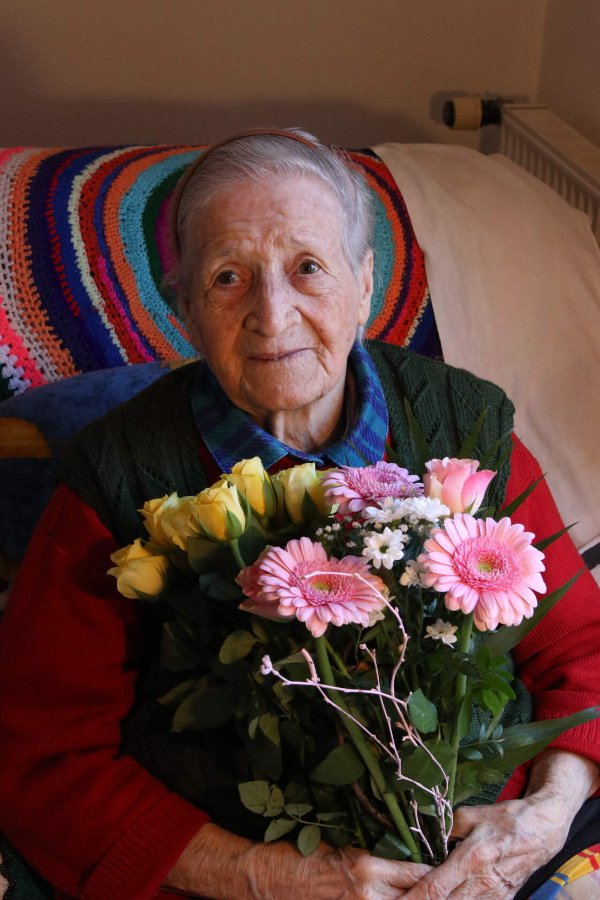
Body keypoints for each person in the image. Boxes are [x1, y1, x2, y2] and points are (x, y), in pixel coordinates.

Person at [0, 128, 598, 900]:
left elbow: (580, 649)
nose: (271, 314)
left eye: (308, 267)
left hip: (497, 851)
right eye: (227, 277)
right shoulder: (119, 476)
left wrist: (544, 816)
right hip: (238, 870)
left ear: (365, 282)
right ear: (184, 309)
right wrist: (270, 877)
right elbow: (46, 756)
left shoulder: (464, 426)